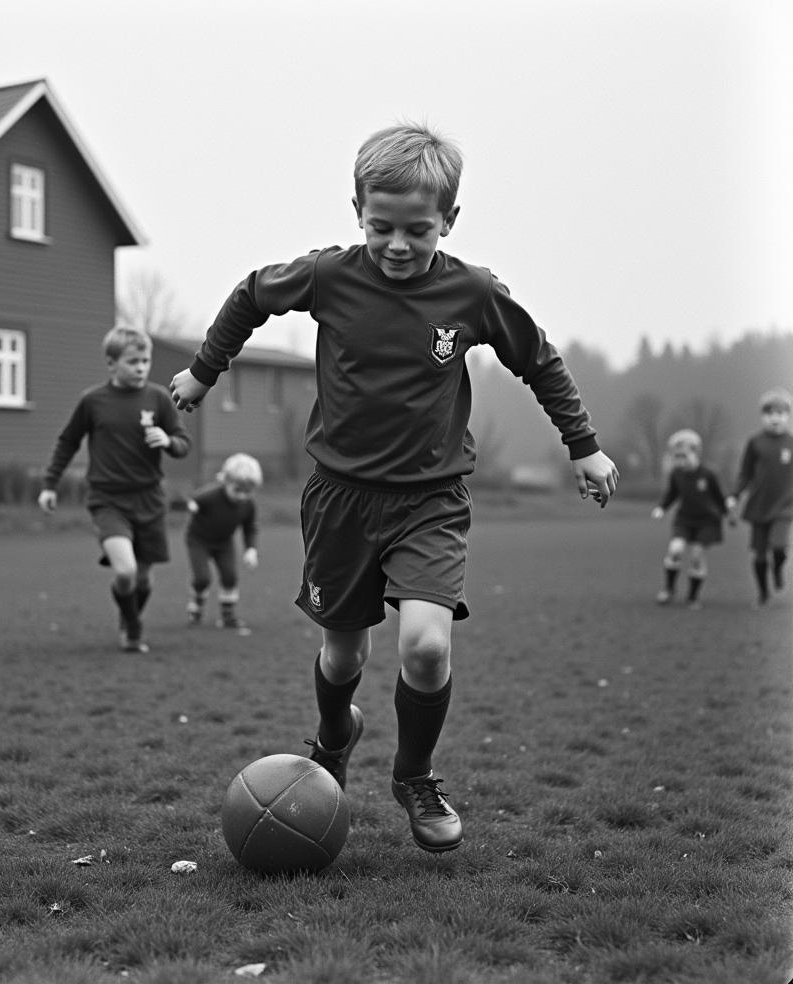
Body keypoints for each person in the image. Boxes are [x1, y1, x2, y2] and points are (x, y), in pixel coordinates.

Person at [169, 121, 619, 853]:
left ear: (450, 220)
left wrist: (585, 448)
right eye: (382, 227)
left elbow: (539, 359)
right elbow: (251, 294)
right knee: (344, 658)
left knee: (425, 649)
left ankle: (414, 775)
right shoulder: (328, 276)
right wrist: (202, 371)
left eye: (419, 229)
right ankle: (333, 734)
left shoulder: (471, 293)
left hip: (430, 502)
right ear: (356, 210)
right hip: (340, 500)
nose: (399, 245)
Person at [38, 326, 191, 653]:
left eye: (145, 361)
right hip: (108, 500)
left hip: (149, 500)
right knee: (125, 571)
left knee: (144, 580)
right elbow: (67, 442)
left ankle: (129, 619)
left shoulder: (158, 399)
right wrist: (50, 484)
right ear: (111, 364)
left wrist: (168, 441)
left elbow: (183, 444)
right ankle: (133, 627)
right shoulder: (93, 401)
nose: (140, 367)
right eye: (133, 361)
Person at [650, 429, 733, 610]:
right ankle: (669, 589)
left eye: (683, 456)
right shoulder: (677, 474)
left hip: (707, 521)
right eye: (676, 457)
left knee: (696, 555)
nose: (679, 461)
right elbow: (671, 494)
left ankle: (693, 597)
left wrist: (729, 513)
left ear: (695, 452)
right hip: (685, 519)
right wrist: (661, 508)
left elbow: (721, 496)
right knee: (675, 549)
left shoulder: (709, 474)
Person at [728, 387, 793, 608]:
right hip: (759, 505)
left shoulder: (791, 442)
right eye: (770, 413)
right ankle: (763, 592)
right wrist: (735, 495)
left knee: (779, 547)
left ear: (787, 416)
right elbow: (745, 473)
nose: (775, 418)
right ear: (763, 416)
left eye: (780, 413)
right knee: (759, 555)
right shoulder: (755, 442)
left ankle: (778, 568)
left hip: (786, 505)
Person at [185, 452, 262, 629]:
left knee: (230, 577)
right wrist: (192, 506)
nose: (242, 496)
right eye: (237, 490)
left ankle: (228, 616)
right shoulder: (211, 496)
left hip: (224, 543)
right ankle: (196, 607)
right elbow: (195, 500)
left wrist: (251, 549)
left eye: (247, 492)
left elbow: (250, 528)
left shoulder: (248, 505)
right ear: (225, 481)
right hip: (199, 540)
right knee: (202, 578)